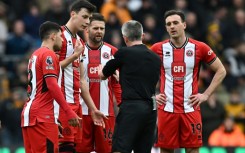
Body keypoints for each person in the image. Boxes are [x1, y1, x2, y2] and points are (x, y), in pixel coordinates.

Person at [151, 10, 226, 153]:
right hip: (167, 109)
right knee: (166, 150)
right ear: (166, 28)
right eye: (168, 24)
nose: (172, 26)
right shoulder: (157, 48)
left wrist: (206, 95)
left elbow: (221, 70)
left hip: (190, 108)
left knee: (192, 150)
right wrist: (152, 95)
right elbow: (140, 72)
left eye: (175, 23)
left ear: (184, 25)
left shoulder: (200, 47)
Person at [98, 20, 161, 153]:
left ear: (125, 38)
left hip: (132, 107)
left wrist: (100, 69)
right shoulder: (156, 58)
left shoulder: (124, 53)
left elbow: (103, 75)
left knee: (120, 149)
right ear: (142, 36)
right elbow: (142, 80)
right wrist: (123, 79)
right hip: (151, 109)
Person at [21, 21, 80, 153]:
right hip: (42, 116)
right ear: (53, 36)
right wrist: (68, 111)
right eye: (60, 36)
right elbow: (52, 86)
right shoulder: (49, 54)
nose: (63, 41)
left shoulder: (34, 55)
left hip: (30, 116)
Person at [57, 0, 107, 152]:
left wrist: (93, 109)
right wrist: (75, 56)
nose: (87, 22)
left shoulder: (79, 41)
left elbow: (82, 80)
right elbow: (48, 70)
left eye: (89, 18)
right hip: (61, 105)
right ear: (73, 14)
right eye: (85, 17)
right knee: (64, 148)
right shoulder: (58, 36)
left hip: (76, 105)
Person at [80, 13, 121, 153]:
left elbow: (117, 83)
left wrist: (122, 104)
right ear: (87, 30)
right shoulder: (78, 52)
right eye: (95, 28)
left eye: (102, 29)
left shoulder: (112, 52)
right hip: (82, 113)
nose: (99, 31)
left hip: (106, 112)